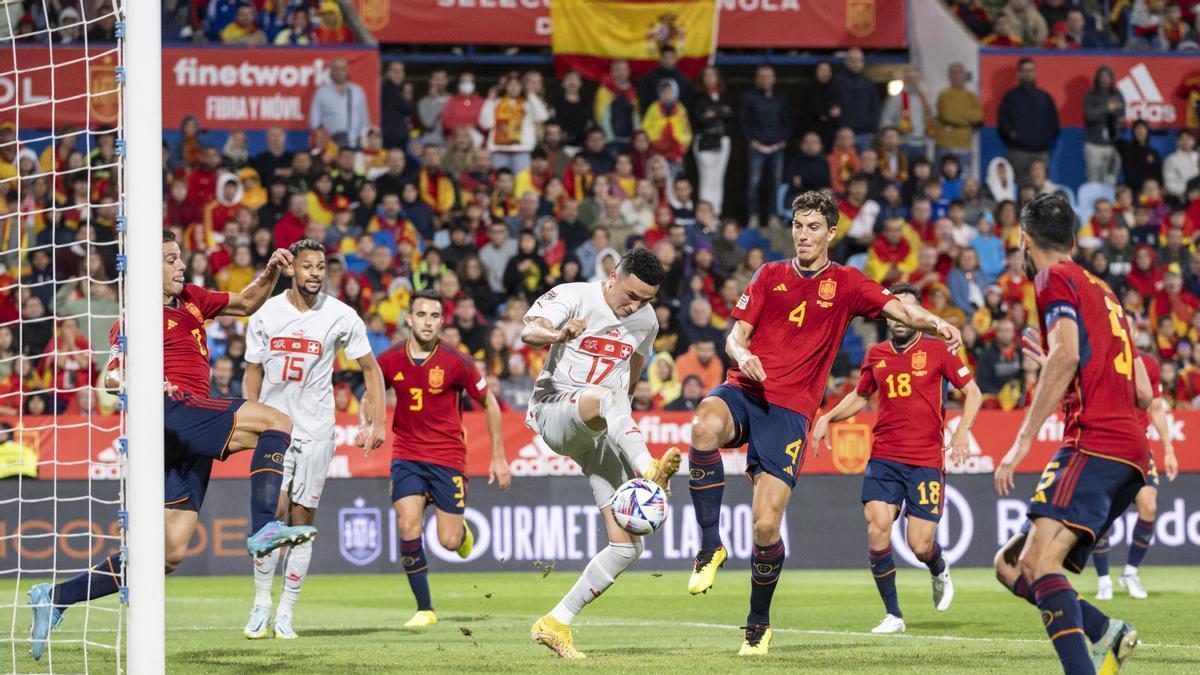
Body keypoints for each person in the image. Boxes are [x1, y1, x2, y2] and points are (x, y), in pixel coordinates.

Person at [685, 190, 963, 656]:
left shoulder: (849, 283)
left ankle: (758, 623)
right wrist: (744, 354)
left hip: (791, 413)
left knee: (765, 526)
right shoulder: (769, 275)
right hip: (747, 389)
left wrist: (938, 323)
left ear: (831, 232)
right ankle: (710, 544)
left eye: (813, 227)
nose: (803, 235)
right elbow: (735, 338)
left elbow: (901, 310)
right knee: (702, 427)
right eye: (797, 225)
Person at [27, 232, 318, 661]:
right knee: (276, 421)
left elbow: (246, 302)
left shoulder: (193, 299)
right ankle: (263, 527)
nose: (181, 265)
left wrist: (273, 271)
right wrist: (140, 381)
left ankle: (55, 597)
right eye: (170, 259)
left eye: (180, 257)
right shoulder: (135, 316)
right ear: (148, 269)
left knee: (166, 555)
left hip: (188, 433)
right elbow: (111, 377)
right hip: (173, 409)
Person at [992, 194, 1150, 675]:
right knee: (1011, 564)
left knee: (1039, 564)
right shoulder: (1103, 289)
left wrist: (1021, 441)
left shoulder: (1052, 277)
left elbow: (1064, 354)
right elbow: (1142, 391)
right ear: (1075, 239)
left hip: (1092, 441)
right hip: (1129, 452)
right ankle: (1108, 632)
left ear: (1023, 239)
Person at [524, 249, 680, 660]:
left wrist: (622, 427)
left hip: (601, 426)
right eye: (631, 295)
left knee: (627, 546)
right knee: (610, 399)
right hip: (555, 411)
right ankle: (649, 467)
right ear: (613, 276)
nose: (636, 305)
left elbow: (633, 373)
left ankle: (555, 622)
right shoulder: (573, 296)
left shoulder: (646, 321)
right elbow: (529, 332)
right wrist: (558, 335)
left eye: (646, 299)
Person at [812, 283, 982, 634]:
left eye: (908, 309)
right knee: (877, 530)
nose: (901, 316)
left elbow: (973, 393)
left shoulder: (939, 351)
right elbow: (861, 397)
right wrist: (828, 417)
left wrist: (963, 429)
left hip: (925, 460)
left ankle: (937, 566)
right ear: (888, 316)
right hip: (885, 457)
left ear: (919, 317)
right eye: (895, 309)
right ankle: (894, 615)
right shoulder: (875, 355)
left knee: (919, 545)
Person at [241, 240, 387, 639]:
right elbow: (252, 371)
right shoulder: (266, 313)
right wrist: (250, 412)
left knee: (301, 523)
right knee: (272, 516)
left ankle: (286, 612)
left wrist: (379, 421)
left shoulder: (341, 316)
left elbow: (371, 371)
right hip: (274, 429)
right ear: (293, 270)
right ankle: (260, 604)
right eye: (308, 266)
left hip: (317, 431)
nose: (315, 273)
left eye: (321, 267)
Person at [377, 290, 511, 627]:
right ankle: (425, 609)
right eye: (421, 315)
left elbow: (490, 404)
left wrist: (498, 457)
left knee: (449, 543)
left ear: (442, 321)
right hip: (406, 453)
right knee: (408, 525)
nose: (427, 322)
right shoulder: (389, 358)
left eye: (434, 316)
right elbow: (371, 389)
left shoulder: (458, 361)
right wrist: (370, 421)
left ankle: (460, 532)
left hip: (447, 456)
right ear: (408, 319)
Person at [1019, 327, 1180, 602]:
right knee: (1100, 515)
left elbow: (1153, 406)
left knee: (1149, 506)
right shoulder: (1095, 358)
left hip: (1137, 447)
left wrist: (1169, 448)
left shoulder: (1146, 365)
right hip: (1103, 447)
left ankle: (1130, 572)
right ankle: (1104, 579)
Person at [997, 59, 1059, 188]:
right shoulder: (1010, 97)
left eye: (1030, 70)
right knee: (1019, 188)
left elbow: (1054, 123)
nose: (1027, 74)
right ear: (1018, 74)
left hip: (1041, 152)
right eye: (1024, 71)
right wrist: (1012, 135)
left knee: (1041, 188)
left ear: (1035, 73)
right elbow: (1003, 122)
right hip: (1018, 152)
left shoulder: (1045, 97)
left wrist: (1044, 139)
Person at [740, 65, 788, 228]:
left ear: (774, 79)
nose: (765, 79)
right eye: (762, 76)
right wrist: (750, 140)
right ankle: (753, 216)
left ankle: (773, 216)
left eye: (768, 76)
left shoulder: (781, 99)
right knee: (754, 182)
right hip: (757, 147)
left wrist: (783, 139)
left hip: (776, 147)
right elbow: (743, 121)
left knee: (775, 182)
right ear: (757, 79)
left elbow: (787, 121)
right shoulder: (749, 98)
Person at [480, 73, 550, 174]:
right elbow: (486, 124)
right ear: (506, 87)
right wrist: (490, 100)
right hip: (499, 152)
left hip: (522, 152)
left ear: (522, 87)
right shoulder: (496, 103)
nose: (514, 87)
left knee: (521, 185)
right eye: (510, 84)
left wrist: (530, 94)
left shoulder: (528, 103)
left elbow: (543, 117)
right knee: (501, 185)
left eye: (517, 84)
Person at [691, 66, 733, 215]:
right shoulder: (697, 96)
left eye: (712, 75)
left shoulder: (724, 95)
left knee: (718, 178)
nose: (709, 78)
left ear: (717, 77)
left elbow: (730, 114)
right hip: (704, 140)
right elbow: (698, 117)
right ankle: (705, 213)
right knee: (706, 178)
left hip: (722, 140)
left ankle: (716, 213)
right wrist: (719, 112)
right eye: (706, 75)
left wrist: (713, 113)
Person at [308, 58, 369, 149]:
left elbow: (364, 119)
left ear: (347, 71)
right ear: (331, 71)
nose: (340, 72)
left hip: (354, 144)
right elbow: (314, 121)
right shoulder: (321, 92)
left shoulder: (357, 91)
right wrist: (323, 137)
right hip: (330, 145)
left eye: (343, 69)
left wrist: (363, 139)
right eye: (336, 69)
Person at [934, 63, 983, 171]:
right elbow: (945, 114)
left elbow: (979, 117)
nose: (956, 76)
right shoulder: (943, 95)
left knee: (964, 176)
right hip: (944, 143)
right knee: (943, 176)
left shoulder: (971, 96)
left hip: (964, 144)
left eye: (959, 73)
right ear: (949, 76)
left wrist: (959, 115)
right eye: (953, 73)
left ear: (964, 75)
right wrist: (965, 117)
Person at [831, 48, 880, 152]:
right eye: (852, 60)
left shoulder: (868, 83)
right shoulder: (837, 81)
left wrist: (872, 129)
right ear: (846, 62)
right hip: (842, 134)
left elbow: (874, 108)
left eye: (858, 60)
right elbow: (830, 104)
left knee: (866, 166)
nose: (855, 63)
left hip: (864, 134)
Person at [880, 66, 934, 161]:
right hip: (903, 143)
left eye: (915, 78)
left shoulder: (924, 99)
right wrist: (891, 139)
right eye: (909, 78)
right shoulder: (896, 98)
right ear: (904, 79)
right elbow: (886, 121)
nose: (913, 81)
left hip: (922, 143)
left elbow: (930, 119)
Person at [1083, 66, 1124, 185]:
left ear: (1112, 79)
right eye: (1102, 77)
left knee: (1111, 180)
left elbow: (1121, 112)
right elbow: (1090, 116)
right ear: (1097, 79)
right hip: (1094, 145)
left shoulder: (1117, 94)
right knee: (1093, 181)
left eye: (1108, 77)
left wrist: (1100, 110)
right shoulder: (1090, 96)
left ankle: (1109, 204)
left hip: (1112, 145)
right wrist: (1108, 108)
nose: (1105, 80)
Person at [380, 61, 415, 150]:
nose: (398, 75)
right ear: (388, 73)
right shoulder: (390, 89)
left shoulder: (397, 89)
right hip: (391, 139)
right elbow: (409, 108)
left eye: (401, 71)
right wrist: (409, 102)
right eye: (395, 71)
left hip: (396, 138)